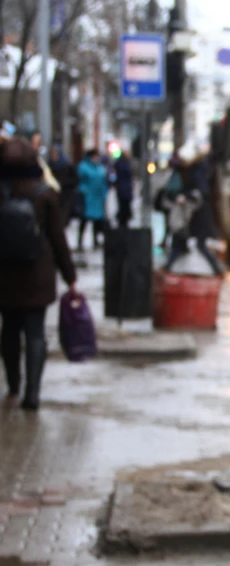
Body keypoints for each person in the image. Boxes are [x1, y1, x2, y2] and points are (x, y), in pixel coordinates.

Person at [0, 137, 78, 410]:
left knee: (9, 330)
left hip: (4, 276)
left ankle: (12, 385)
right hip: (37, 276)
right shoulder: (45, 194)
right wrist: (70, 277)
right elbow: (58, 239)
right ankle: (32, 394)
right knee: (35, 332)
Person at [159, 143, 223, 275]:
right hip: (192, 214)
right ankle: (169, 267)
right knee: (182, 241)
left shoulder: (196, 171)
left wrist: (186, 196)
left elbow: (200, 192)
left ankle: (217, 270)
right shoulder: (194, 170)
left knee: (197, 243)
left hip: (197, 214)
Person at [76, 149, 109, 250]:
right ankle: (80, 241)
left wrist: (104, 194)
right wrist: (83, 191)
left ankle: (95, 240)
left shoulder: (100, 168)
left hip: (97, 198)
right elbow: (79, 180)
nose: (96, 158)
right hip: (87, 198)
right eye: (95, 156)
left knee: (97, 222)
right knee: (84, 220)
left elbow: (104, 181)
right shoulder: (84, 167)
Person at [47, 144, 79, 222]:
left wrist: (63, 183)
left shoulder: (67, 165)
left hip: (65, 194)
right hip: (53, 194)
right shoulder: (49, 165)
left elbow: (75, 179)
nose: (53, 156)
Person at [112, 150, 134, 229]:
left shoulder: (126, 164)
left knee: (125, 207)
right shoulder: (121, 164)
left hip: (125, 189)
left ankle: (124, 224)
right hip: (123, 189)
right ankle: (122, 225)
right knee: (123, 207)